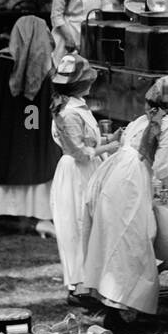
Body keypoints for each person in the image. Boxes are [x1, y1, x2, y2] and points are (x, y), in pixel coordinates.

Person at [78, 75, 168, 330]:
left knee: (120, 241)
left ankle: (118, 306)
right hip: (130, 182)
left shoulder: (144, 119)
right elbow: (163, 169)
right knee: (132, 242)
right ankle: (120, 312)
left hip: (116, 173)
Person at [0, 15, 60, 233]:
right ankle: (38, 216)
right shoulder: (47, 72)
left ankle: (16, 216)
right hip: (36, 142)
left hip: (9, 145)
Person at [49, 54, 114, 300]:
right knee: (76, 226)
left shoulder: (77, 106)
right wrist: (109, 147)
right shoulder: (68, 113)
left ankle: (89, 280)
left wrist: (107, 139)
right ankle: (78, 285)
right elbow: (79, 152)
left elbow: (87, 142)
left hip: (86, 170)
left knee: (89, 223)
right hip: (76, 172)